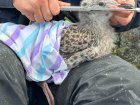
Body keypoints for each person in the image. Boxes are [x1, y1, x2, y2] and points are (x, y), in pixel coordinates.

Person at [0, 0, 140, 105]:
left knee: (122, 86)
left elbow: (134, 7)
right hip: (6, 40)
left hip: (78, 40)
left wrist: (127, 10)